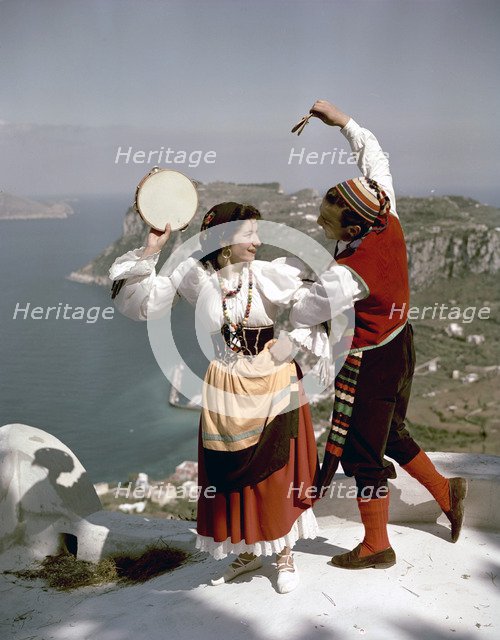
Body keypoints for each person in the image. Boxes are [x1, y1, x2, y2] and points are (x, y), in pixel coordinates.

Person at [109, 202, 326, 593]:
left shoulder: (267, 275)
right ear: (224, 240)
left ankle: (284, 554)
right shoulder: (196, 277)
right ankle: (249, 550)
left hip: (272, 383)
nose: (258, 241)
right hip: (225, 388)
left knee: (275, 472)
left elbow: (318, 306)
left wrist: (291, 341)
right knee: (233, 475)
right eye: (249, 234)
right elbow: (142, 305)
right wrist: (152, 248)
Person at [289, 99, 467, 570]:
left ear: (351, 223)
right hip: (401, 342)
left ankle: (376, 545)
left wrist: (291, 287)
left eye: (327, 222)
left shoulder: (351, 273)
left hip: (372, 360)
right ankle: (447, 491)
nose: (320, 226)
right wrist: (342, 121)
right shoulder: (383, 211)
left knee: (361, 452)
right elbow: (375, 157)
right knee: (391, 434)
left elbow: (306, 311)